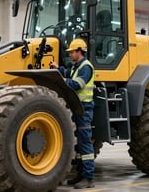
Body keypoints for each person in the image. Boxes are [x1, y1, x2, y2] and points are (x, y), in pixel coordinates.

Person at [50, 38, 95, 189]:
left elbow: (77, 84)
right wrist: (58, 68)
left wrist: (63, 80)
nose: (70, 54)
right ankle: (81, 174)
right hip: (77, 108)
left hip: (84, 109)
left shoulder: (86, 67)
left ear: (79, 52)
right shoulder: (78, 66)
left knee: (85, 143)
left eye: (72, 52)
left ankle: (88, 178)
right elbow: (70, 73)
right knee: (80, 146)